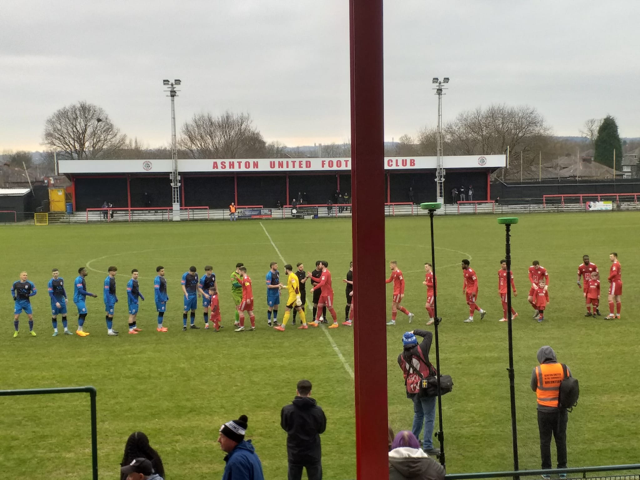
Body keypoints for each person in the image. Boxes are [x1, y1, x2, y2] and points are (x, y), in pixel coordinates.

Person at [397, 331, 440, 456]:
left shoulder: (400, 357)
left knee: (418, 414)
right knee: (429, 416)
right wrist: (414, 331)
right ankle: (427, 445)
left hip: (412, 389)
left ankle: (413, 440)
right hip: (425, 387)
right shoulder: (421, 349)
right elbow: (429, 335)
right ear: (415, 341)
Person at [531, 346, 571, 475]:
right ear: (554, 356)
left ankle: (546, 470)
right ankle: (562, 469)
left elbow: (533, 387)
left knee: (545, 441)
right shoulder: (564, 368)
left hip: (543, 411)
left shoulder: (537, 370)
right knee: (561, 439)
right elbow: (570, 385)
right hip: (560, 410)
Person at [281, 379, 327, 480]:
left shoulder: (287, 410)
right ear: (310, 392)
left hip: (294, 452)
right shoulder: (317, 411)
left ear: (297, 391)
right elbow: (321, 429)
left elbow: (285, 426)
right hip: (312, 452)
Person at [218, 415, 265, 480]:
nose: (219, 440)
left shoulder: (238, 461)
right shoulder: (250, 453)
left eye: (222, 436)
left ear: (232, 439)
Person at [275, 264, 308, 331]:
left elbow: (295, 287)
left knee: (287, 309)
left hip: (293, 296)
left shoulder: (291, 276)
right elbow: (291, 286)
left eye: (284, 270)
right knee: (299, 309)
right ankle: (304, 325)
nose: (284, 271)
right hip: (295, 295)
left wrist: (297, 297)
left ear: (287, 270)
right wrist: (284, 287)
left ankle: (282, 326)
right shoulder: (293, 275)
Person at [310, 261, 338, 328]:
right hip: (323, 293)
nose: (319, 265)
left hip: (327, 294)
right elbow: (320, 280)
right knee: (319, 306)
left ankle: (335, 322)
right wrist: (312, 277)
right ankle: (316, 321)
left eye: (320, 264)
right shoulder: (323, 272)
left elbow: (322, 283)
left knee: (330, 307)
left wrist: (314, 289)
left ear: (323, 265)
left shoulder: (325, 273)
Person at [385, 262, 414, 326]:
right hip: (395, 291)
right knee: (397, 306)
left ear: (394, 265)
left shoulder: (399, 272)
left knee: (393, 305)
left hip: (398, 292)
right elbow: (390, 280)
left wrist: (402, 293)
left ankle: (393, 321)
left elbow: (402, 282)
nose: (390, 266)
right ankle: (410, 314)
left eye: (391, 265)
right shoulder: (393, 273)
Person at [12, 271, 37, 337]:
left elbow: (35, 291)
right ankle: (16, 331)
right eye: (24, 275)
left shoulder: (30, 283)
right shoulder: (16, 283)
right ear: (20, 276)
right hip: (18, 303)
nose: (25, 276)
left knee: (30, 317)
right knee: (16, 317)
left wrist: (29, 295)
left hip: (26, 303)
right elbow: (12, 290)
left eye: (26, 275)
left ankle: (31, 330)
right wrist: (13, 296)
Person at [74, 267, 97, 337]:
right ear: (81, 272)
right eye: (85, 271)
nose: (86, 272)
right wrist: (91, 294)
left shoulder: (82, 279)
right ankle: (79, 330)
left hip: (81, 299)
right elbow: (81, 291)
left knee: (82, 313)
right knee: (84, 313)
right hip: (78, 299)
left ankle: (80, 330)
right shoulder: (78, 280)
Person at [49, 268, 71, 336]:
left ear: (58, 273)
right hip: (55, 301)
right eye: (54, 273)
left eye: (56, 273)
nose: (55, 274)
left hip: (62, 300)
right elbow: (50, 294)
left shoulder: (61, 279)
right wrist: (56, 302)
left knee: (64, 314)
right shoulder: (50, 282)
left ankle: (66, 330)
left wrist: (66, 297)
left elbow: (63, 289)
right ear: (52, 274)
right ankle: (55, 331)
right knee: (54, 316)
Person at [236, 266, 256, 332]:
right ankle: (253, 326)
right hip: (250, 298)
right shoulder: (246, 278)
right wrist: (238, 279)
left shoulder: (246, 279)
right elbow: (243, 284)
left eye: (239, 271)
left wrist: (248, 298)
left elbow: (248, 289)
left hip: (246, 298)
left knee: (240, 310)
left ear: (242, 271)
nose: (238, 273)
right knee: (249, 311)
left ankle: (241, 327)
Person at [126, 269, 145, 334]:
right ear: (132, 274)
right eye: (135, 274)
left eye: (137, 274)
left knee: (135, 314)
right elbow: (128, 292)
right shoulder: (130, 282)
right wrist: (133, 300)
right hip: (132, 301)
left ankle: (134, 327)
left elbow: (137, 290)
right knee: (132, 315)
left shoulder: (136, 281)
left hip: (136, 300)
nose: (136, 275)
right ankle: (130, 330)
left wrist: (141, 295)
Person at [181, 266, 199, 331]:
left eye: (194, 273)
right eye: (192, 273)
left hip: (194, 294)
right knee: (186, 310)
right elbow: (183, 285)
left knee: (193, 309)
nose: (193, 274)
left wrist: (198, 291)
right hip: (188, 295)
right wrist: (185, 293)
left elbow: (197, 284)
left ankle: (192, 324)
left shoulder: (196, 275)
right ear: (189, 271)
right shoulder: (185, 275)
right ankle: (184, 326)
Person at [606, 252, 622, 320]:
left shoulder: (615, 264)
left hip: (615, 282)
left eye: (611, 256)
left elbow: (614, 273)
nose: (610, 258)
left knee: (610, 298)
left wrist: (609, 278)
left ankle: (611, 314)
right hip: (619, 282)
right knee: (617, 298)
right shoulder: (618, 263)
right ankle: (618, 315)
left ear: (615, 256)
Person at [266, 262, 283, 326]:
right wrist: (278, 285)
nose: (277, 267)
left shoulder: (277, 272)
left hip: (276, 293)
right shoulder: (269, 275)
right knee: (270, 307)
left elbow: (277, 281)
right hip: (271, 294)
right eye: (276, 266)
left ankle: (275, 320)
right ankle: (269, 321)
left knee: (276, 306)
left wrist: (279, 290)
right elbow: (269, 286)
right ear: (272, 266)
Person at [104, 266, 119, 336]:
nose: (115, 272)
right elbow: (107, 292)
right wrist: (109, 301)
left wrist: (115, 297)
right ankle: (109, 331)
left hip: (112, 297)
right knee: (110, 314)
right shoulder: (107, 280)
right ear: (110, 272)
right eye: (114, 271)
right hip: (109, 298)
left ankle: (110, 328)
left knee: (108, 314)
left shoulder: (113, 278)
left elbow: (113, 289)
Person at [153, 266, 169, 332]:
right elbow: (157, 290)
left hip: (163, 298)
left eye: (163, 271)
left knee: (162, 312)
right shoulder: (157, 279)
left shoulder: (163, 278)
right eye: (162, 271)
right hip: (160, 299)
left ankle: (161, 326)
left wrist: (166, 296)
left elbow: (164, 288)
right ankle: (159, 327)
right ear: (158, 272)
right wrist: (161, 298)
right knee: (161, 312)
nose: (163, 272)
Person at [231, 263, 245, 327]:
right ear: (238, 268)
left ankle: (237, 321)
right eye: (241, 268)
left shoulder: (242, 274)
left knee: (240, 307)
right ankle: (237, 322)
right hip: (236, 293)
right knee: (239, 307)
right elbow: (235, 284)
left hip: (242, 292)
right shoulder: (233, 275)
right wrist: (243, 284)